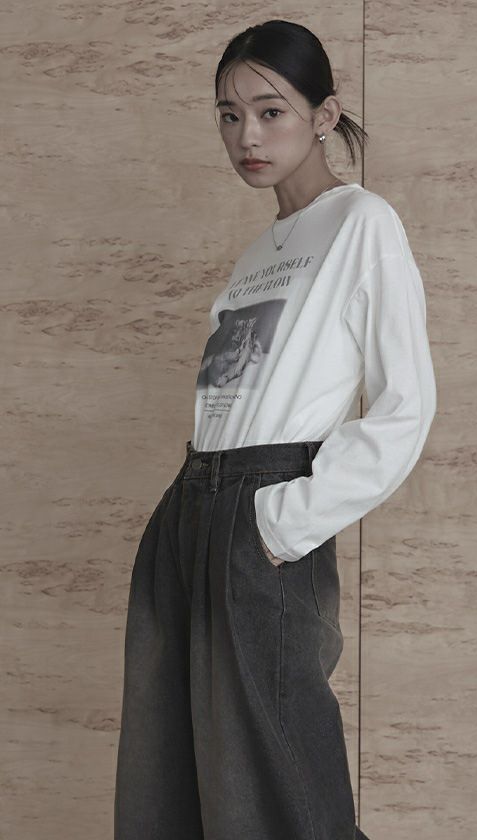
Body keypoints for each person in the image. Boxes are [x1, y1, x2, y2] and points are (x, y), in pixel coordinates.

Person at [114, 19, 437, 840]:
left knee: (287, 795)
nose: (247, 137)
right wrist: (192, 515)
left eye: (270, 111)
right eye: (229, 116)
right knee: (177, 785)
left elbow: (405, 405)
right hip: (195, 507)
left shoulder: (362, 223)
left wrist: (280, 522)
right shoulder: (259, 252)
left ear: (323, 116)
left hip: (262, 516)